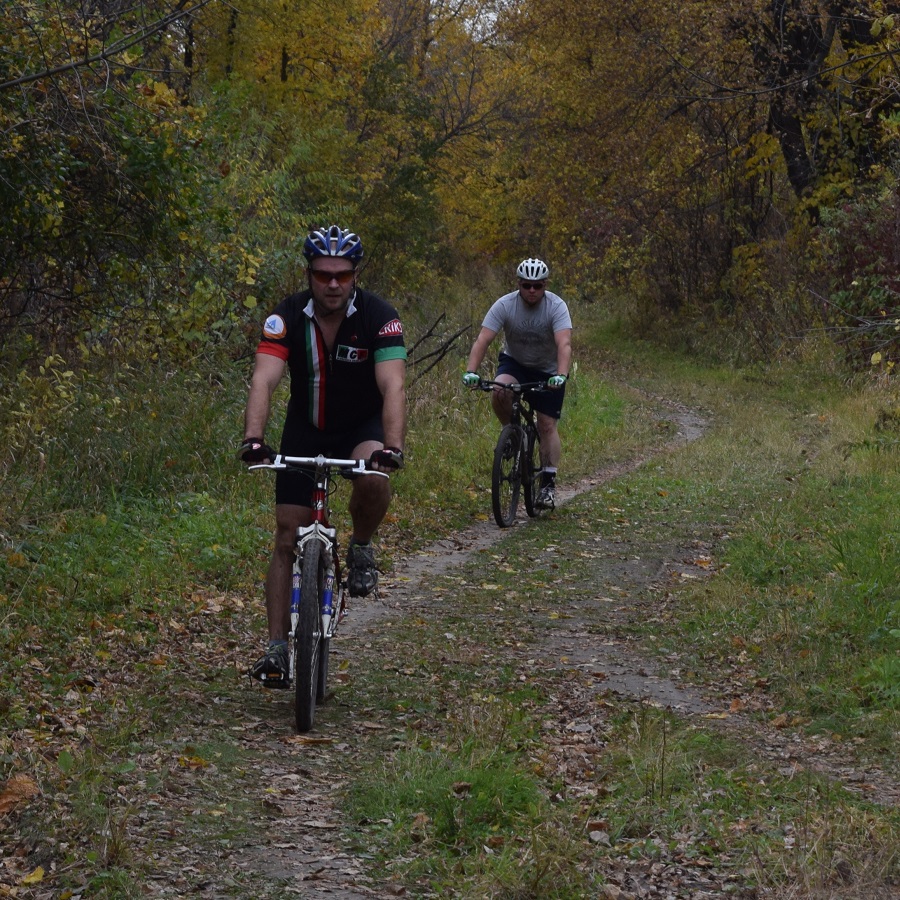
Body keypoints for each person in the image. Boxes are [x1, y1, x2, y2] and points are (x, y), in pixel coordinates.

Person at [239, 225, 407, 687]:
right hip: (305, 429)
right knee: (286, 535)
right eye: (323, 275)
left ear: (355, 275)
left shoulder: (380, 316)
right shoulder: (287, 315)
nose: (333, 284)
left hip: (360, 428)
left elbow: (393, 383)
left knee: (375, 479)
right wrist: (254, 438)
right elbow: (264, 378)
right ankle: (276, 648)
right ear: (309, 274)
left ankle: (360, 547)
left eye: (342, 275)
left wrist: (392, 448)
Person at [463, 257, 572, 510]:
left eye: (538, 286)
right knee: (500, 390)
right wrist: (471, 371)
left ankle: (547, 484)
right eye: (526, 285)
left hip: (548, 370)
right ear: (518, 284)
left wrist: (562, 375)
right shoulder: (505, 304)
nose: (532, 291)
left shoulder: (556, 306)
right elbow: (483, 340)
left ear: (545, 285)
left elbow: (564, 343)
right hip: (516, 363)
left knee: (546, 425)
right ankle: (511, 434)